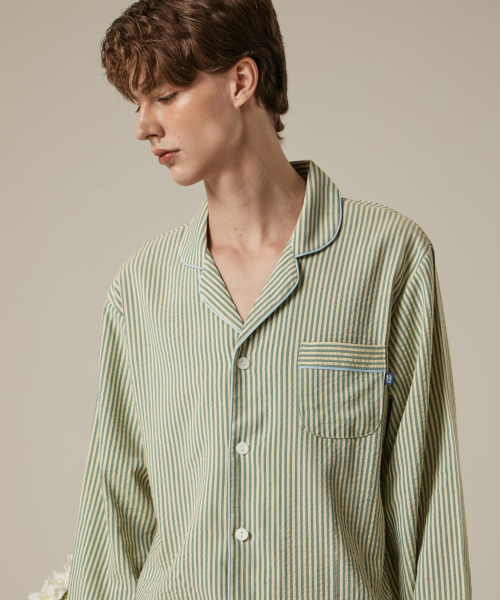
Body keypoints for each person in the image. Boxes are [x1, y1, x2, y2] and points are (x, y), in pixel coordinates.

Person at [67, 1, 472, 599]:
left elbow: (427, 500)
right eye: (137, 103)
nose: (143, 126)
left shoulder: (388, 258)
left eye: (166, 96)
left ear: (241, 80)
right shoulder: (142, 288)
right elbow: (113, 510)